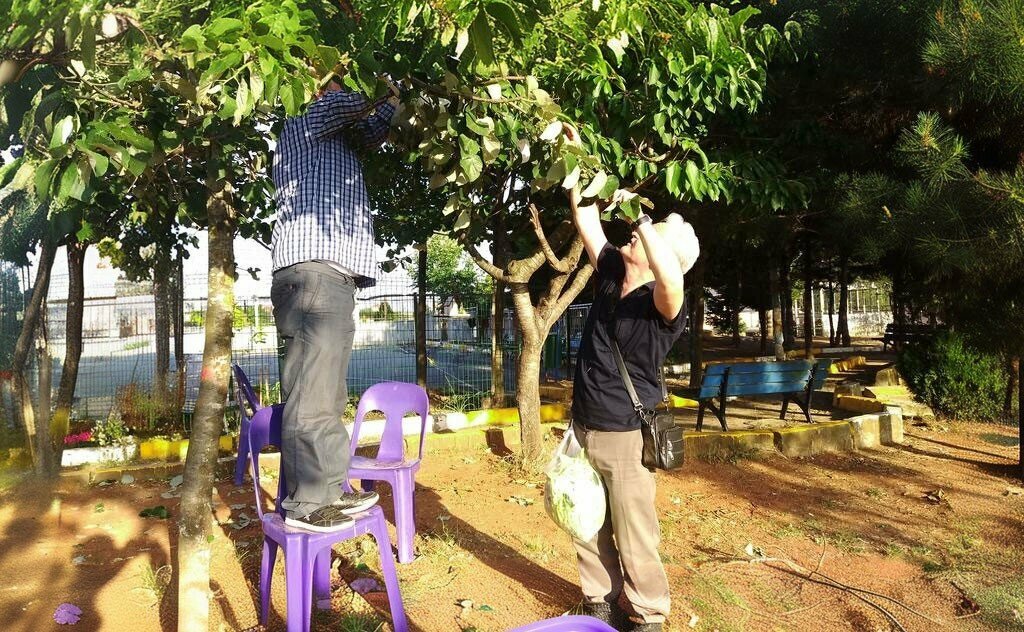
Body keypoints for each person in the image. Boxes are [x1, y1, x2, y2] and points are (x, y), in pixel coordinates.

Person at [568, 161, 700, 629]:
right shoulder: (610, 271)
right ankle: (599, 597)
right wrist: (576, 166)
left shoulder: (665, 304)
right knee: (585, 520)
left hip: (625, 436)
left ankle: (648, 613)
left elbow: (671, 279)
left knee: (634, 530)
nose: (631, 239)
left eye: (646, 240)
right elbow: (585, 219)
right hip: (582, 425)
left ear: (660, 250)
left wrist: (643, 221)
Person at [269, 71, 400, 533]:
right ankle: (309, 503)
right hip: (314, 271)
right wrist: (371, 77)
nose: (340, 90)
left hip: (328, 276)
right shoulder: (306, 115)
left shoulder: (336, 139)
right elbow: (355, 105)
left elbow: (375, 123)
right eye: (334, 82)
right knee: (312, 394)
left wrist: (398, 94)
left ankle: (327, 492)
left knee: (324, 392)